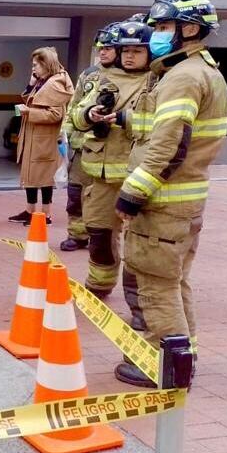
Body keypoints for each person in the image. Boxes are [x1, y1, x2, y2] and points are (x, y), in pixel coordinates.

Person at [109, 0, 227, 387]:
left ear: (189, 29)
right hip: (185, 202)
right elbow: (159, 127)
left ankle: (165, 368)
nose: (155, 35)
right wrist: (121, 117)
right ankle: (184, 355)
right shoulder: (197, 71)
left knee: (156, 286)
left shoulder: (183, 76)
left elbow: (169, 141)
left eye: (162, 27)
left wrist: (133, 192)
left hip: (163, 203)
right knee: (176, 282)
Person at [72, 20, 154, 330]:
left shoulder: (156, 81)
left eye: (137, 51)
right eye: (125, 51)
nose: (130, 56)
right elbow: (76, 114)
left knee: (138, 243)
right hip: (100, 172)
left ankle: (138, 305)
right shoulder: (99, 78)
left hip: (137, 173)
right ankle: (98, 283)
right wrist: (89, 115)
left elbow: (158, 123)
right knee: (99, 232)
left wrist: (121, 117)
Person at [59, 25, 121, 251]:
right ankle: (77, 235)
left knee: (99, 198)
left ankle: (98, 234)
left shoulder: (125, 78)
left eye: (108, 48)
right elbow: (74, 105)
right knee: (75, 195)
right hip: (79, 145)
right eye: (100, 48)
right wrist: (64, 134)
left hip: (107, 149)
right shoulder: (88, 74)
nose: (102, 52)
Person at [9, 47, 75, 225]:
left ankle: (46, 214)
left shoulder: (54, 84)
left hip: (44, 139)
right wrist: (31, 84)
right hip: (34, 136)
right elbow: (31, 99)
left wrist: (29, 113)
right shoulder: (43, 81)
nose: (33, 68)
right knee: (31, 175)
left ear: (46, 65)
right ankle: (30, 210)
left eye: (36, 65)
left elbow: (55, 114)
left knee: (44, 176)